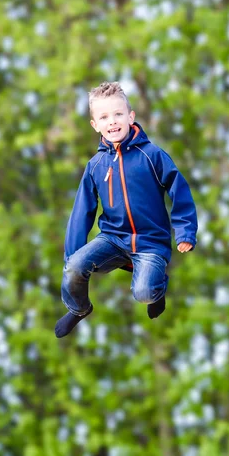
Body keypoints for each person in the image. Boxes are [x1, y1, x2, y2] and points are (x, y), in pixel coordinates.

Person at [55, 81, 197, 338]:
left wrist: (186, 232)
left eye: (118, 114)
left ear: (131, 117)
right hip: (113, 239)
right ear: (95, 125)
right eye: (104, 117)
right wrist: (72, 256)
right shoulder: (96, 165)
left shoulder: (151, 155)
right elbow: (82, 211)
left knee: (143, 293)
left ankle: (156, 287)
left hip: (149, 242)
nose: (112, 122)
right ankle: (79, 309)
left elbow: (180, 189)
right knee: (74, 267)